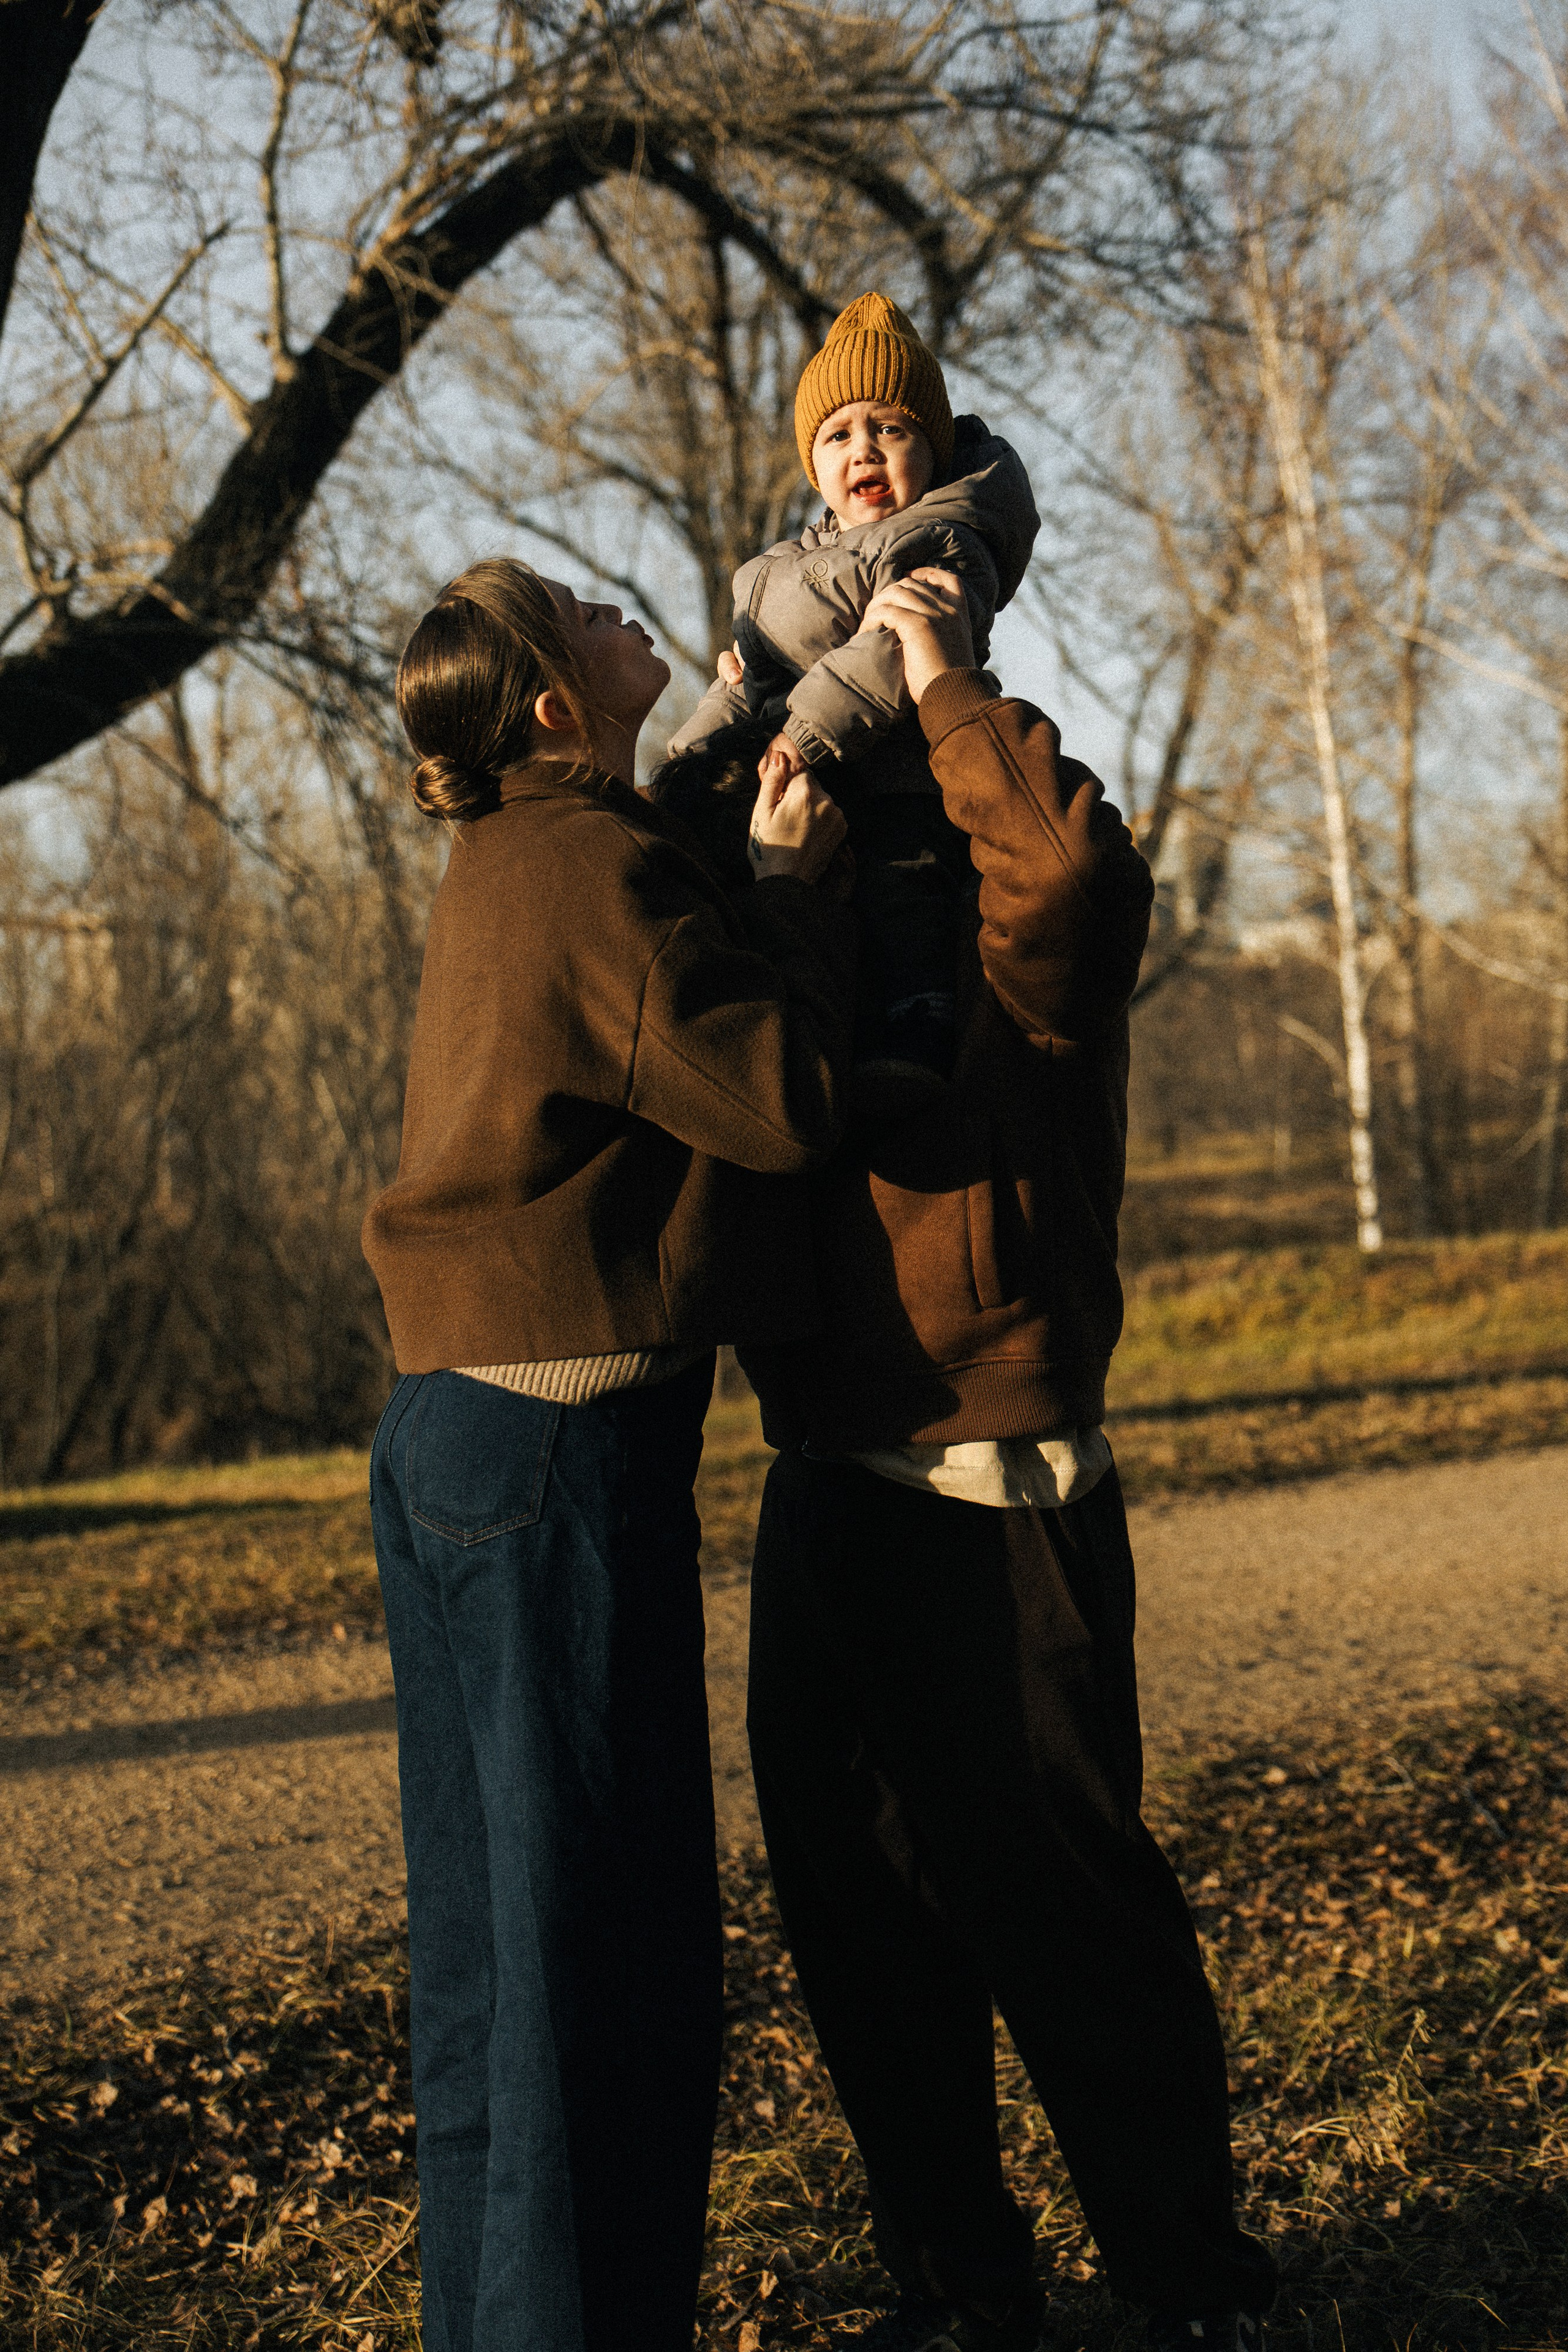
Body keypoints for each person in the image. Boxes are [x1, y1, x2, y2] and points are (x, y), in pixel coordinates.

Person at [737, 570, 1280, 2352]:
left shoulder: (1022, 916)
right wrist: (788, 869)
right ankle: (963, 2290)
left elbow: (1072, 877)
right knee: (861, 1916)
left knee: (1068, 1913)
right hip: (827, 1458)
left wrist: (945, 674)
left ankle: (1188, 2291)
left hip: (997, 1473)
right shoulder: (820, 861)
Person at [359, 557, 854, 2352]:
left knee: (490, 1968)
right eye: (578, 611)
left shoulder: (520, 855)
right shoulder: (592, 868)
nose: (616, 608)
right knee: (601, 1967)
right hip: (557, 1457)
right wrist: (790, 893)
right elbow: (785, 1099)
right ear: (555, 704)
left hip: (445, 1432)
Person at [668, 292, 1039, 1107]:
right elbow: (747, 675)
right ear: (814, 466)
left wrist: (800, 734)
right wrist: (691, 757)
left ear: (932, 450)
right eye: (838, 435)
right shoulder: (790, 565)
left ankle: (912, 1033)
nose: (863, 449)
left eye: (891, 430)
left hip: (896, 778)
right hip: (795, 775)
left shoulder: (945, 539)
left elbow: (888, 653)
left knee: (906, 895)